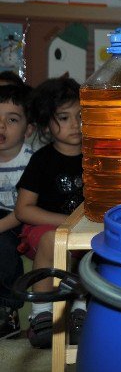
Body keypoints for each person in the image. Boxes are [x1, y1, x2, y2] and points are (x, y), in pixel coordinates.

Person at [15, 78, 85, 348]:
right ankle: (41, 315)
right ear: (46, 124)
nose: (75, 124)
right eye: (64, 118)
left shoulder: (96, 155)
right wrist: (66, 223)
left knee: (97, 247)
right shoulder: (42, 159)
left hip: (83, 232)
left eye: (81, 116)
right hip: (44, 230)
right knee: (53, 239)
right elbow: (23, 209)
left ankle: (81, 309)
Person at [0, 84, 34, 340]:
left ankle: (8, 309)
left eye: (12, 120)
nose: (2, 126)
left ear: (28, 129)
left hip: (21, 219)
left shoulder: (31, 160)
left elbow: (23, 211)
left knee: (4, 246)